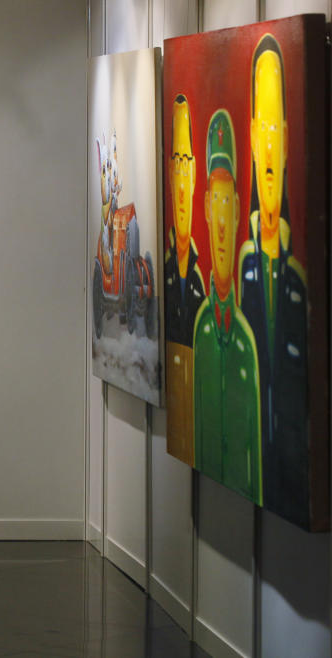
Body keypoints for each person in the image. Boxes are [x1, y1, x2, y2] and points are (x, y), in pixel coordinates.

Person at [238, 34, 308, 524]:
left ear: (285, 139)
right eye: (258, 126)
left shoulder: (300, 286)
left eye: (273, 127)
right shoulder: (241, 271)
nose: (265, 144)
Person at [192, 109, 262, 504]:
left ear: (237, 209)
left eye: (227, 201)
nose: (220, 222)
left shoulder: (246, 347)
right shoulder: (201, 333)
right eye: (213, 201)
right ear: (206, 206)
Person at [164, 94, 205, 465]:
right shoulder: (160, 274)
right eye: (175, 163)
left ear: (194, 179)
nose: (180, 176)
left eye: (186, 162)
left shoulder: (203, 285)